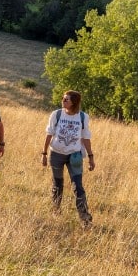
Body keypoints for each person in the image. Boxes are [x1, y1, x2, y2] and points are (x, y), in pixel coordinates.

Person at [41, 90, 95, 227]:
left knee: (78, 186)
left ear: (74, 103)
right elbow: (49, 134)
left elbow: (86, 137)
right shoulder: (57, 114)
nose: (63, 101)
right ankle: (56, 210)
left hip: (75, 156)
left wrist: (90, 157)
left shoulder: (83, 117)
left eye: (66, 100)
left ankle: (85, 218)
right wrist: (44, 153)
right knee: (57, 184)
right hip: (56, 154)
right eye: (63, 99)